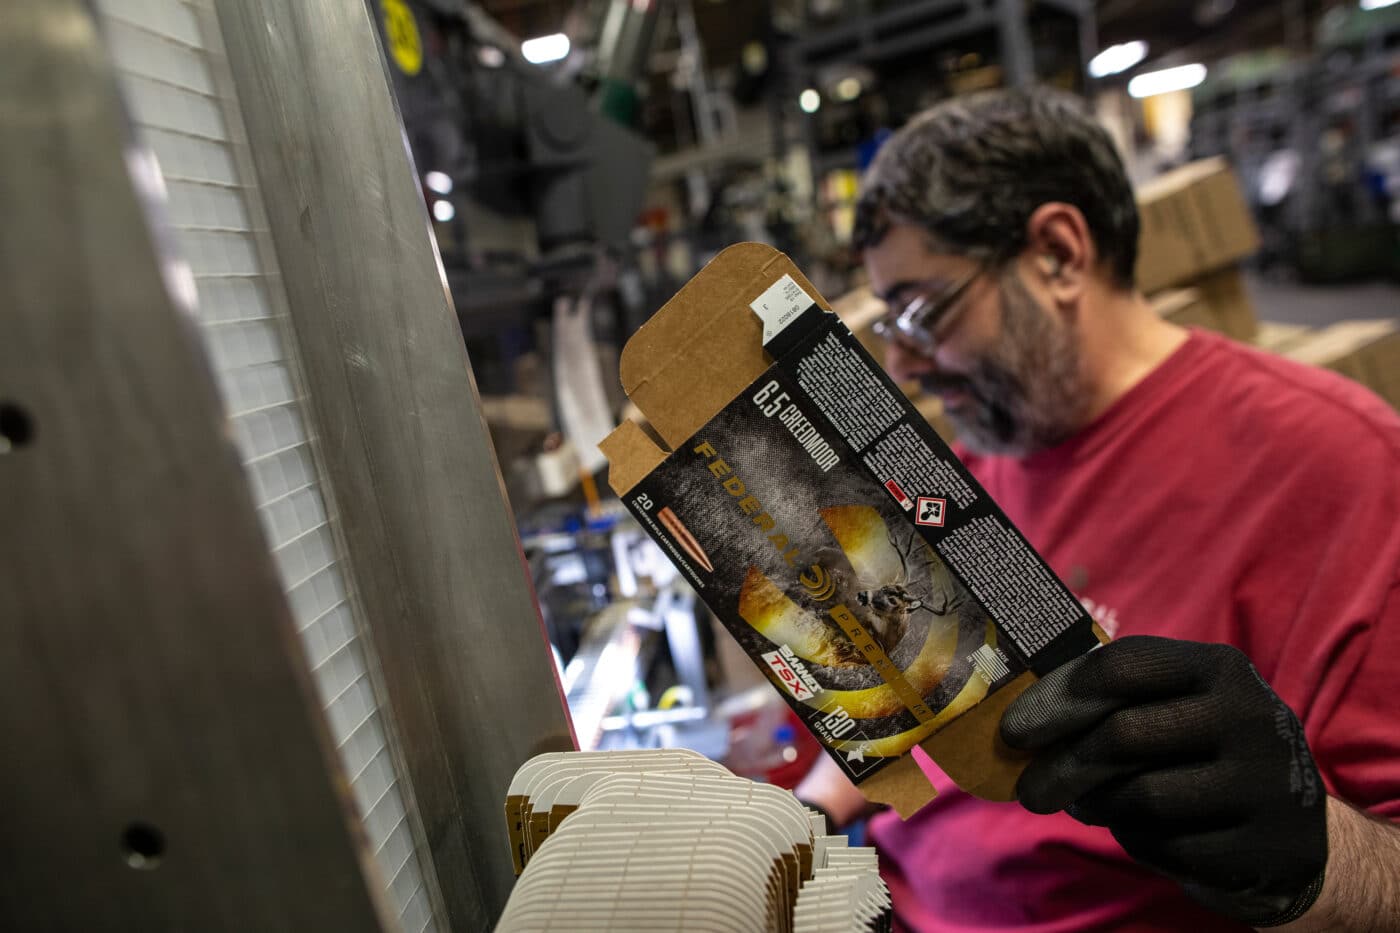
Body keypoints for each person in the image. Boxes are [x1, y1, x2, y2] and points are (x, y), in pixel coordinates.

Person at [796, 88, 1400, 932]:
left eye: (924, 313)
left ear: (1059, 254)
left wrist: (1308, 852)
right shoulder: (974, 468)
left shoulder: (1343, 468)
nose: (904, 364)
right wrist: (806, 807)